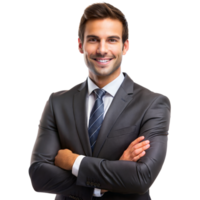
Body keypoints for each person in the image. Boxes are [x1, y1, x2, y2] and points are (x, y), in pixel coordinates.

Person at [28, 2, 171, 200]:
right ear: (80, 45)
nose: (102, 49)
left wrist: (74, 162)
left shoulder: (153, 104)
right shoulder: (57, 103)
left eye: (112, 40)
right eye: (93, 40)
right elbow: (39, 176)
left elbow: (141, 177)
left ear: (125, 46)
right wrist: (101, 186)